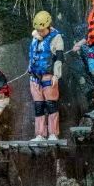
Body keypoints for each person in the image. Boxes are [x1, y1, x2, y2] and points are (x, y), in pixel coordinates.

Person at [27, 10, 64, 142]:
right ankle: (39, 134)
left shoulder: (56, 37)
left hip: (49, 75)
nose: (40, 32)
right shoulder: (35, 38)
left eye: (42, 30)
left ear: (48, 26)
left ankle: (53, 133)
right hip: (35, 76)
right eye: (38, 30)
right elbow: (32, 55)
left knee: (51, 104)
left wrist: (56, 75)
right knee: (38, 106)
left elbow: (59, 57)